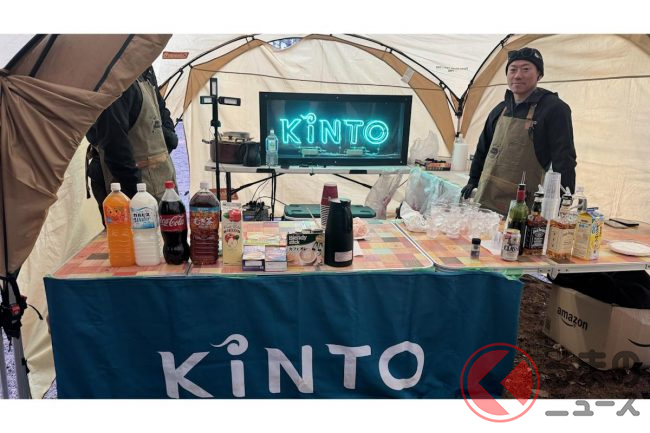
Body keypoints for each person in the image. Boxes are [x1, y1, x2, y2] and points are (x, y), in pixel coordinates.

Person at [460, 47, 577, 215]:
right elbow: (483, 149)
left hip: (522, 205)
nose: (517, 75)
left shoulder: (554, 109)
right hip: (486, 198)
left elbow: (564, 159)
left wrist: (563, 201)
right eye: (513, 69)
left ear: (539, 74)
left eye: (526, 69)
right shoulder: (500, 109)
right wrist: (473, 180)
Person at [86, 66, 178, 223]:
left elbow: (160, 107)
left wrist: (169, 137)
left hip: (160, 182)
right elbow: (116, 150)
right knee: (135, 236)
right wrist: (139, 199)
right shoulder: (113, 82)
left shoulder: (145, 68)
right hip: (130, 189)